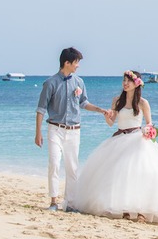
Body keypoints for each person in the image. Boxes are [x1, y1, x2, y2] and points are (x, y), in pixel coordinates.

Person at [67, 71, 158, 229]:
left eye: (129, 81)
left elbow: (149, 122)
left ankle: (142, 212)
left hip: (137, 139)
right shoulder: (117, 100)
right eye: (124, 81)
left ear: (137, 83)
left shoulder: (142, 103)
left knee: (141, 175)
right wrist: (107, 115)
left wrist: (148, 130)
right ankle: (124, 210)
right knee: (119, 174)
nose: (125, 84)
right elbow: (111, 123)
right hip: (119, 139)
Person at [34, 47, 113, 211]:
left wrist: (100, 110)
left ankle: (69, 204)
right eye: (76, 62)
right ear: (67, 63)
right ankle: (54, 202)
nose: (78, 66)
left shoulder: (79, 82)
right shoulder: (50, 83)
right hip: (55, 129)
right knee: (54, 163)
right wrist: (38, 133)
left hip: (74, 131)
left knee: (72, 167)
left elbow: (84, 103)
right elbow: (41, 109)